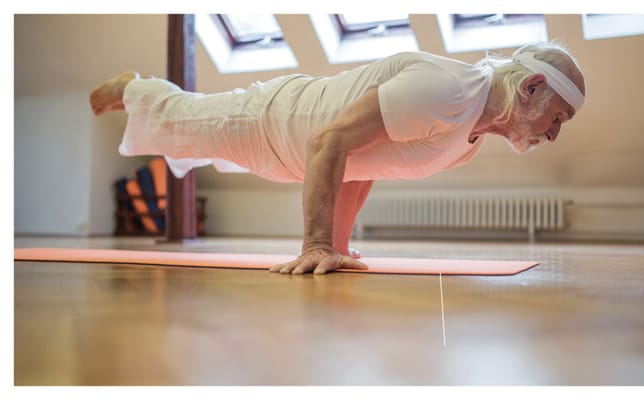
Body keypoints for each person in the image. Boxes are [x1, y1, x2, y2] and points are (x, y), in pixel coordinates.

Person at [89, 40, 585, 275]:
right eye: (557, 117)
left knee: (188, 144)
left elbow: (365, 162)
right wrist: (316, 244)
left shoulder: (469, 136)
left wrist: (338, 248)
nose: (555, 135)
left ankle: (138, 90)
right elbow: (331, 141)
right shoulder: (449, 90)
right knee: (180, 122)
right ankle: (132, 86)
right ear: (531, 87)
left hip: (290, 151)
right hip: (272, 119)